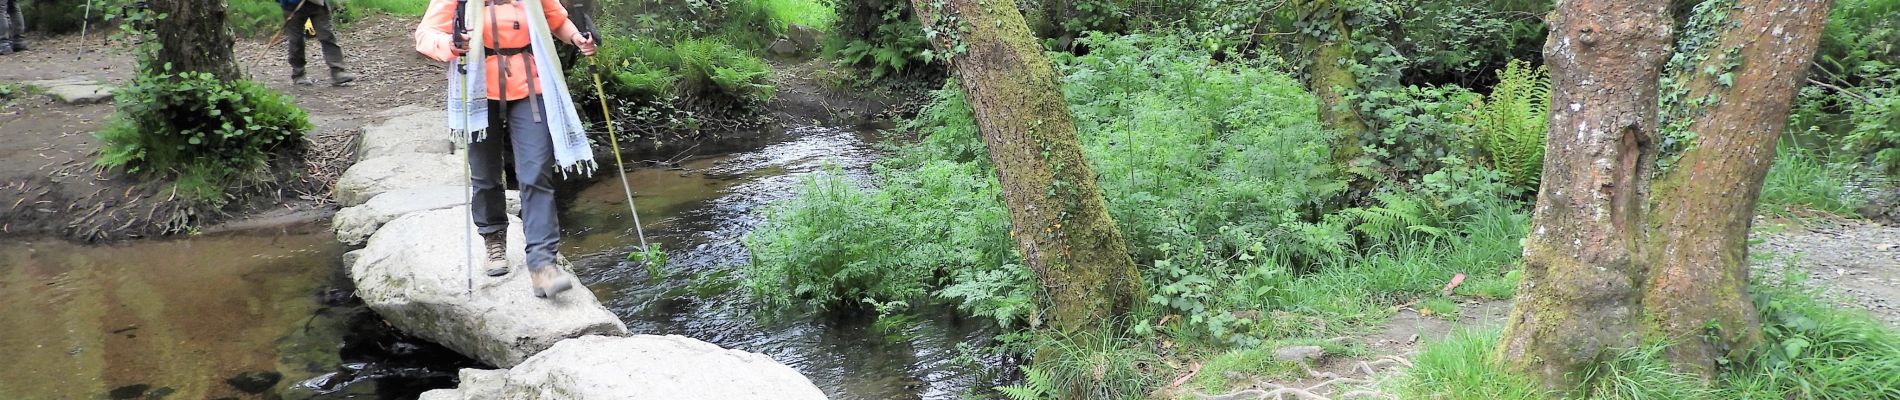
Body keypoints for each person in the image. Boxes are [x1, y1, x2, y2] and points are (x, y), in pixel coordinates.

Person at [415, 0, 598, 298]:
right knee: (485, 174)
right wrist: (451, 43)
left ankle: (543, 266)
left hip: (530, 86)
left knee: (536, 171)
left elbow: (557, 20)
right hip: (477, 87)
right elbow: (426, 35)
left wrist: (577, 38)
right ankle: (493, 238)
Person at [282, 0, 355, 85]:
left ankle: (338, 71)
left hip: (317, 4)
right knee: (296, 41)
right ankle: (298, 74)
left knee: (327, 36)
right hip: (292, 6)